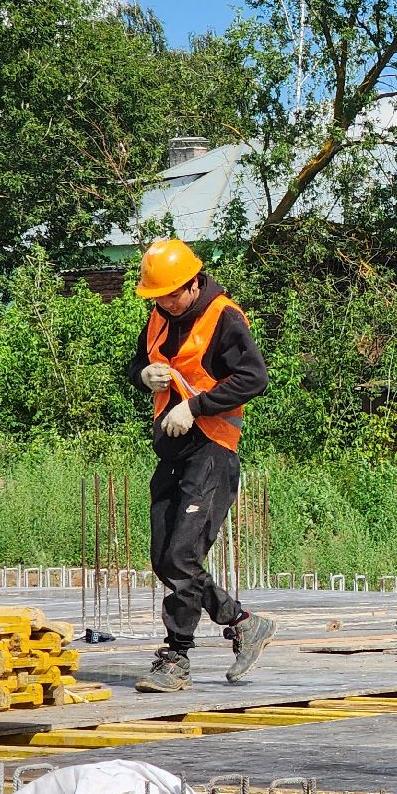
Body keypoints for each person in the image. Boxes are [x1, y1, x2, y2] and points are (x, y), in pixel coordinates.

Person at [124, 238, 276, 692]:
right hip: (171, 450)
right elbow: (139, 362)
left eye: (172, 294)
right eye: (158, 297)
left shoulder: (223, 316)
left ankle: (176, 658)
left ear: (193, 283)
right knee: (164, 557)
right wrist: (142, 374)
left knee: (182, 555)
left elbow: (255, 377)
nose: (165, 303)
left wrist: (197, 407)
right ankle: (242, 622)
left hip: (212, 446)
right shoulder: (157, 316)